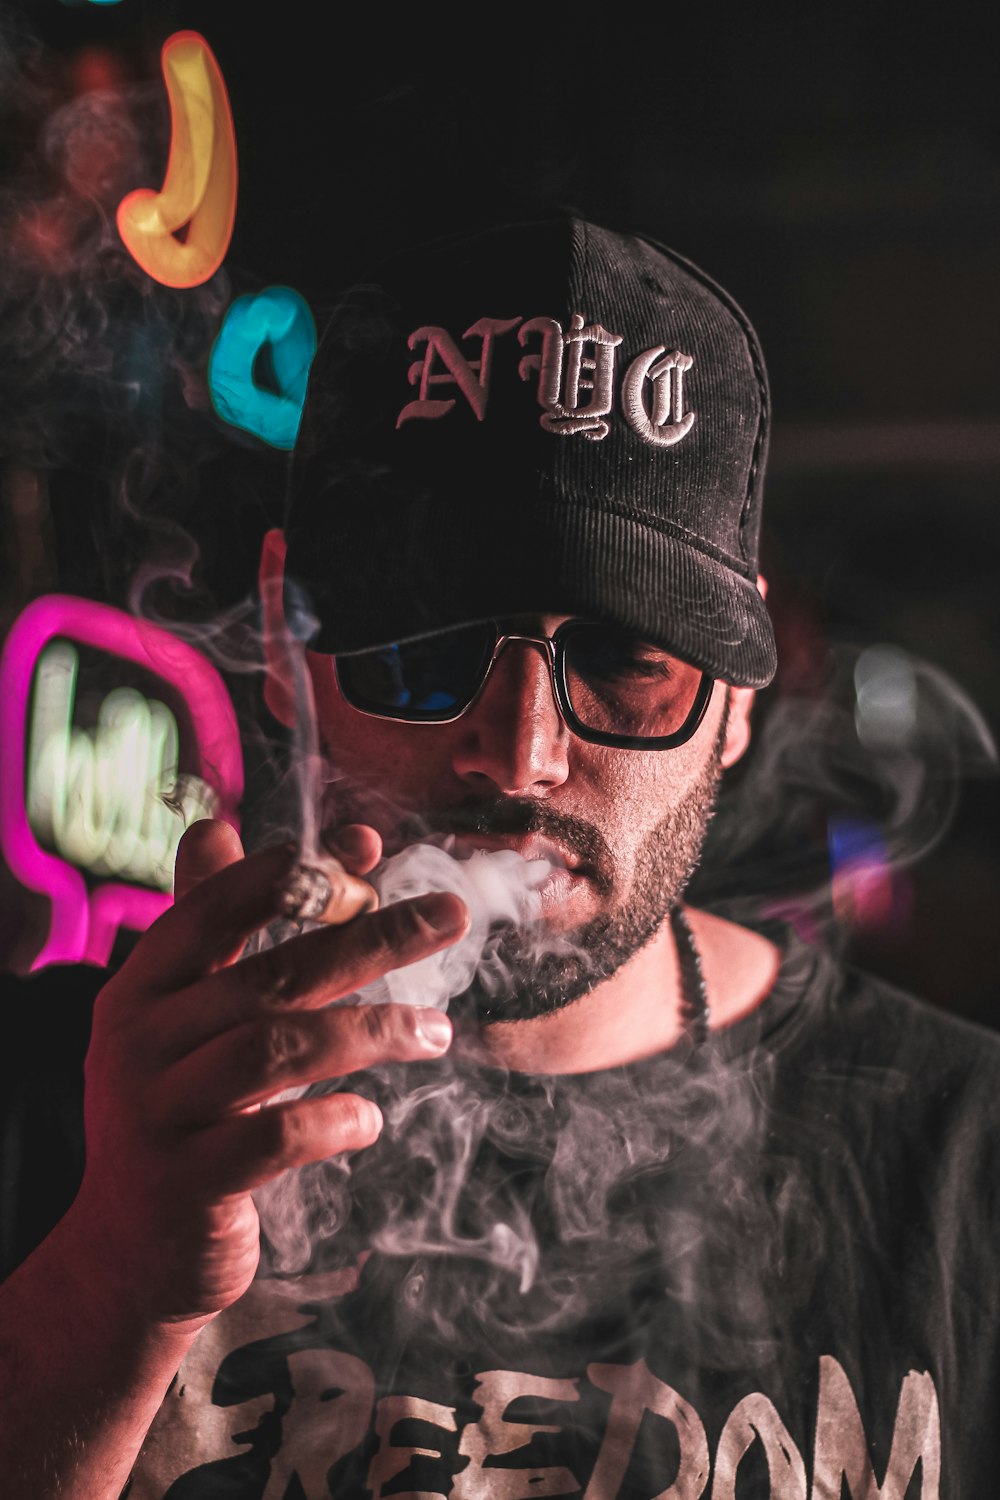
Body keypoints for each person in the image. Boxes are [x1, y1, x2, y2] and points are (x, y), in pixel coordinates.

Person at [1, 215, 998, 1499]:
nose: (515, 754)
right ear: (279, 625)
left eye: (624, 659)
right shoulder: (64, 1110)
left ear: (740, 688)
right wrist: (109, 1275)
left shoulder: (961, 1163)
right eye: (424, 644)